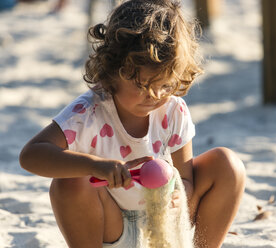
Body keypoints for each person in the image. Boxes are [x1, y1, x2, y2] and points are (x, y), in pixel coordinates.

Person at [19, 0, 246, 247]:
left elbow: (186, 179)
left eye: (165, 85)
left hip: (165, 225)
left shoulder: (173, 109)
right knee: (70, 181)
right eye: (142, 86)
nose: (156, 96)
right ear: (112, 70)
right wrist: (94, 166)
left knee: (228, 165)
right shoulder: (89, 112)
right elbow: (31, 155)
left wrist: (179, 195)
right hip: (112, 228)